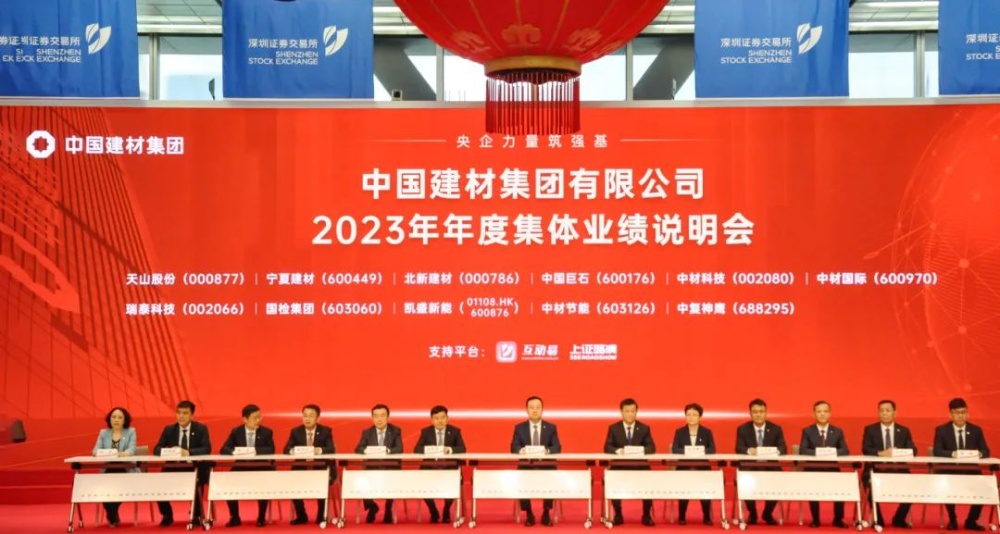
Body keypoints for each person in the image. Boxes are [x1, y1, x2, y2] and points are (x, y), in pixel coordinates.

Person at [932, 398, 990, 531]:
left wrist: (979, 454)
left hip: (971, 470)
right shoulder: (942, 430)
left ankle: (971, 520)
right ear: (950, 414)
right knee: (947, 487)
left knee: (984, 488)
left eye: (963, 412)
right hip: (949, 470)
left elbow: (986, 451)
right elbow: (937, 451)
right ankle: (952, 519)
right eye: (957, 413)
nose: (960, 416)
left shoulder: (976, 430)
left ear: (967, 413)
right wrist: (954, 454)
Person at [154, 400, 211, 527]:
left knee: (197, 480)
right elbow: (157, 449)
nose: (181, 416)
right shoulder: (169, 429)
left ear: (192, 415)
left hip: (194, 467)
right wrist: (171, 451)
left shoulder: (201, 429)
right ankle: (167, 515)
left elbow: (206, 448)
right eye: (179, 413)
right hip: (173, 467)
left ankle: (196, 515)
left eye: (185, 413)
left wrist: (188, 452)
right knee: (158, 484)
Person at [861, 399, 915, 529]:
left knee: (913, 485)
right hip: (876, 470)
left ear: (894, 413)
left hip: (899, 469)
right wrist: (881, 453)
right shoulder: (870, 429)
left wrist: (897, 453)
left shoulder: (904, 430)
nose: (885, 413)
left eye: (888, 410)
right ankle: (878, 519)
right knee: (869, 483)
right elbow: (865, 449)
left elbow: (913, 450)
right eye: (882, 411)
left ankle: (899, 518)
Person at [220, 404, 275, 527]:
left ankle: (261, 517)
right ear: (245, 419)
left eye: (259, 417)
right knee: (228, 484)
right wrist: (235, 451)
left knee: (263, 485)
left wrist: (253, 451)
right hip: (241, 467)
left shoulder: (266, 432)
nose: (258, 420)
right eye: (255, 418)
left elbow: (271, 450)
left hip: (260, 468)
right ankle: (235, 517)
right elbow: (224, 449)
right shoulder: (236, 431)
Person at [603, 398, 655, 526]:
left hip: (640, 467)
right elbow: (607, 447)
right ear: (621, 412)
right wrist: (618, 451)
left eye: (632, 411)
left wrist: (639, 450)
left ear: (636, 412)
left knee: (649, 479)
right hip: (620, 466)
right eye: (627, 411)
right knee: (612, 478)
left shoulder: (644, 428)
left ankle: (646, 515)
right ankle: (618, 514)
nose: (630, 414)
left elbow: (651, 448)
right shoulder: (614, 428)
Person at [511, 395, 562, 527]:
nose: (535, 410)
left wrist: (547, 451)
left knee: (552, 474)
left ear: (542, 409)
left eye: (538, 407)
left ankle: (546, 512)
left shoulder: (551, 428)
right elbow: (514, 447)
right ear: (527, 410)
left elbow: (557, 447)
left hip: (546, 465)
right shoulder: (519, 428)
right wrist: (522, 451)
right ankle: (528, 513)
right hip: (527, 465)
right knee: (521, 476)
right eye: (532, 408)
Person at [735, 398, 786, 525]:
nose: (758, 414)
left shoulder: (776, 429)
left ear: (766, 412)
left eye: (761, 411)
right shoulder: (743, 429)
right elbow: (739, 448)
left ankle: (767, 513)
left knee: (779, 479)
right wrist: (749, 450)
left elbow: (783, 449)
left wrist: (771, 451)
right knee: (744, 480)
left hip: (770, 466)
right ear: (750, 413)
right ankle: (752, 513)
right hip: (750, 467)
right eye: (755, 412)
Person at [799, 401, 850, 528]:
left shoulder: (837, 431)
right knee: (813, 490)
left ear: (830, 413)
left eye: (825, 411)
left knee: (841, 489)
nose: (822, 414)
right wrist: (821, 452)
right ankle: (815, 519)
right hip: (813, 469)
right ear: (814, 414)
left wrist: (830, 452)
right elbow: (803, 450)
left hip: (832, 468)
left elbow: (845, 450)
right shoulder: (807, 431)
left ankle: (838, 519)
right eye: (819, 411)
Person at [283, 404, 336, 525]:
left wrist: (319, 450)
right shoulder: (296, 431)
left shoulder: (325, 431)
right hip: (301, 468)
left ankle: (321, 516)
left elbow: (331, 449)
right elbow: (286, 449)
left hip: (320, 468)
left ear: (318, 418)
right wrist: (292, 451)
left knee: (322, 483)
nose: (307, 418)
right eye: (305, 415)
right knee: (293, 484)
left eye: (311, 416)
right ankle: (301, 516)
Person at [414, 405, 467, 524]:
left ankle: (446, 510)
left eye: (443, 417)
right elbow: (417, 449)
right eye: (436, 418)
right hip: (429, 469)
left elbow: (462, 448)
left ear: (447, 419)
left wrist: (449, 449)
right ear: (431, 420)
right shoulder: (426, 432)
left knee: (453, 485)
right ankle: (433, 511)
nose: (440, 421)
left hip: (449, 468)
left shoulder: (455, 431)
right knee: (421, 485)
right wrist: (429, 450)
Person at [354, 404, 403, 524]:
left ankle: (388, 508)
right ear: (372, 418)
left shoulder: (395, 431)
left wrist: (387, 451)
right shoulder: (367, 432)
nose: (379, 419)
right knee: (362, 481)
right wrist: (366, 450)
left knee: (392, 480)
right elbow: (358, 448)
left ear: (388, 417)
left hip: (390, 468)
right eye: (376, 416)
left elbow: (399, 448)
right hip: (372, 468)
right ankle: (372, 507)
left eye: (382, 416)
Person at [671, 402, 717, 525]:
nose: (691, 417)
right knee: (684, 487)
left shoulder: (706, 432)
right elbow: (675, 449)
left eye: (694, 415)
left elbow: (712, 449)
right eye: (688, 414)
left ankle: (707, 517)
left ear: (700, 417)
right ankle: (681, 516)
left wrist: (698, 451)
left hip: (702, 466)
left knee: (704, 489)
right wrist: (691, 451)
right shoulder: (680, 432)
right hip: (684, 467)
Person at [92, 407, 137, 528]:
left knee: (118, 485)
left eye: (120, 417)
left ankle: (111, 515)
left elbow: (132, 449)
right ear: (109, 419)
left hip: (126, 468)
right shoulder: (103, 433)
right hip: (108, 469)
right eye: (114, 417)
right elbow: (95, 451)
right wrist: (106, 453)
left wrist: (125, 453)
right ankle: (113, 514)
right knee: (106, 486)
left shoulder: (131, 432)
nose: (116, 420)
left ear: (124, 420)